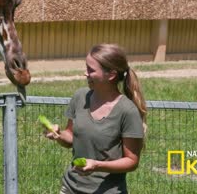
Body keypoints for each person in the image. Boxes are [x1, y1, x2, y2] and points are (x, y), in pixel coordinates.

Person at [44, 44, 147, 194]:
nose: (85, 73)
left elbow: (132, 162)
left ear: (111, 75)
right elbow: (70, 137)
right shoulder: (80, 97)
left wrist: (97, 165)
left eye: (91, 70)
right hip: (70, 188)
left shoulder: (127, 111)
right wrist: (58, 135)